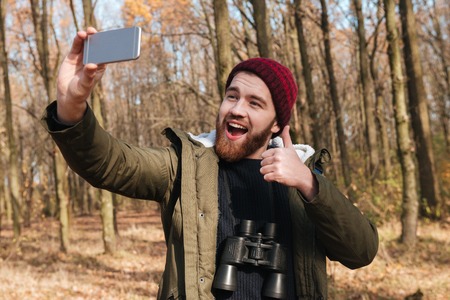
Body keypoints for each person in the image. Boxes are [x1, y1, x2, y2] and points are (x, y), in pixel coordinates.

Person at [41, 27, 378, 299]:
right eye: (231, 95)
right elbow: (109, 163)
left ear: (277, 123)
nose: (236, 109)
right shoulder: (185, 167)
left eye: (254, 103)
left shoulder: (304, 179)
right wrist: (72, 106)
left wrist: (309, 184)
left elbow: (361, 251)